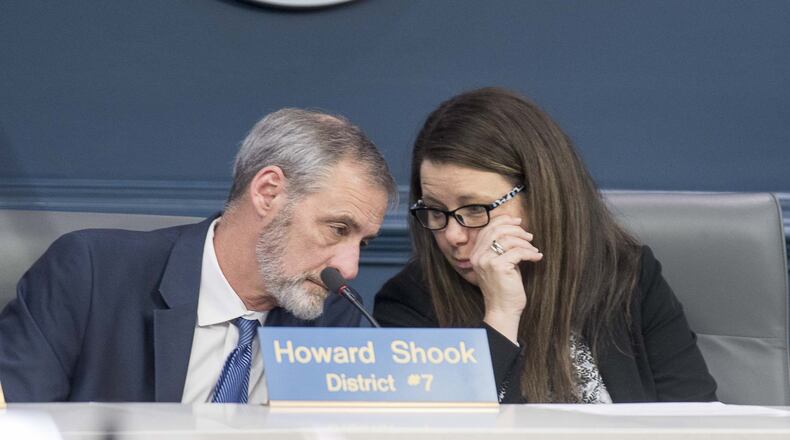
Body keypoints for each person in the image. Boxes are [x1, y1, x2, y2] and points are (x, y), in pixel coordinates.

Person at [0, 108, 397, 403]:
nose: (349, 267)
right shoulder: (90, 274)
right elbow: (18, 423)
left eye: (363, 242)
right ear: (269, 192)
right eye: (338, 229)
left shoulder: (337, 320)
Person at [373, 88, 717, 403]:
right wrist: (501, 316)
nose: (452, 236)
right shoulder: (409, 302)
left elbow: (695, 416)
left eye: (476, 209)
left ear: (540, 196)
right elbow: (437, 431)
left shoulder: (626, 275)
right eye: (435, 211)